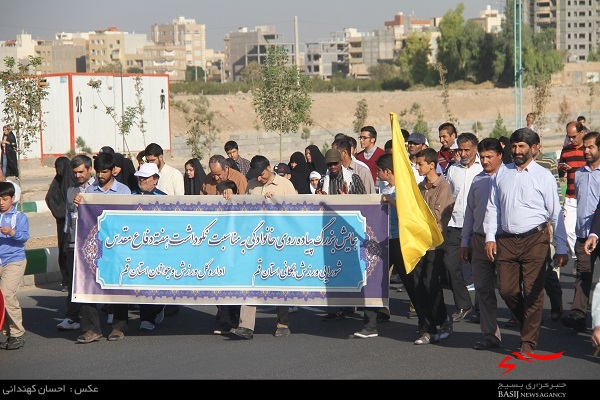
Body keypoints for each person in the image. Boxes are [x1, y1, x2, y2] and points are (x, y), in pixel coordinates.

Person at [484, 128, 569, 355]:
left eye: (521, 146)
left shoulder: (544, 176)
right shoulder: (502, 174)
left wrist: (561, 247)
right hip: (507, 241)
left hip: (536, 239)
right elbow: (493, 208)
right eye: (514, 146)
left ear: (533, 148)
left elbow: (555, 213)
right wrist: (490, 237)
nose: (516, 150)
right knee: (507, 289)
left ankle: (527, 343)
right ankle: (529, 322)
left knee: (533, 291)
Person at [229, 155, 297, 340]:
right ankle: (246, 326)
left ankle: (283, 322)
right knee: (250, 281)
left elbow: (298, 211)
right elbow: (244, 208)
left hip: (278, 242)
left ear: (269, 168)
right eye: (257, 176)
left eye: (262, 174)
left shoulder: (285, 185)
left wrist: (277, 202)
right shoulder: (251, 184)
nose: (260, 179)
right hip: (255, 241)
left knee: (279, 280)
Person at [354, 153, 417, 338]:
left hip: (400, 242)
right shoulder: (385, 189)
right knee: (373, 279)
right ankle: (370, 325)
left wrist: (390, 200)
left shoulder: (403, 190)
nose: (377, 174)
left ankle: (426, 320)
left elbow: (408, 213)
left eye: (379, 171)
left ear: (387, 171)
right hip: (383, 241)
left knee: (410, 283)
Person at [74, 152, 132, 343]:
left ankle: (118, 327)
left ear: (113, 171)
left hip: (117, 249)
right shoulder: (89, 193)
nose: (100, 175)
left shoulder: (124, 192)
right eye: (98, 171)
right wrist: (78, 205)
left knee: (118, 286)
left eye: (104, 171)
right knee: (87, 285)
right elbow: (83, 220)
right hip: (94, 248)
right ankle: (92, 329)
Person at [460, 138, 505, 350]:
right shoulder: (477, 180)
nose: (485, 160)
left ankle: (526, 328)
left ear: (499, 156)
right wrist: (464, 242)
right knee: (484, 290)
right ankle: (490, 335)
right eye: (482, 157)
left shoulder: (509, 177)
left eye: (489, 156)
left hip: (504, 240)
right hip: (478, 240)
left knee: (508, 288)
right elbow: (469, 212)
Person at [317, 148, 366, 321]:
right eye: (329, 164)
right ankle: (338, 307)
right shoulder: (323, 181)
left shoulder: (353, 179)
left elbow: (364, 203)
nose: (332, 167)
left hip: (350, 231)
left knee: (352, 268)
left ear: (341, 162)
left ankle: (357, 304)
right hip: (330, 231)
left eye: (335, 163)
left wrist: (347, 198)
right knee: (333, 270)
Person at [412, 148, 454, 345]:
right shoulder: (419, 188)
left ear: (431, 164)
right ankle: (427, 328)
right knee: (418, 286)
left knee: (431, 283)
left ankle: (442, 319)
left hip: (435, 245)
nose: (417, 167)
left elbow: (436, 217)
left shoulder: (443, 187)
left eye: (420, 164)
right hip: (418, 244)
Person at [561, 131, 600, 332]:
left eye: (590, 147)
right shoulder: (580, 173)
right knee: (583, 273)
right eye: (584, 147)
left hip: (598, 232)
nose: (586, 151)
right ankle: (578, 314)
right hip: (584, 233)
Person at [444, 132, 482, 323]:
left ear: (475, 149)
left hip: (477, 227)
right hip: (455, 225)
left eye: (467, 149)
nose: (464, 153)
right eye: (460, 149)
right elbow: (449, 197)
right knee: (450, 266)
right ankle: (463, 304)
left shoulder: (483, 169)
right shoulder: (453, 170)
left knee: (480, 269)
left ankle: (482, 308)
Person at [56, 155, 95, 332]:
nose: (78, 175)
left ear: (89, 169)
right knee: (74, 282)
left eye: (81, 172)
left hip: (94, 244)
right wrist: (66, 242)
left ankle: (110, 312)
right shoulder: (71, 191)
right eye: (75, 172)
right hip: (73, 243)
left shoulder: (98, 190)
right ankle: (72, 317)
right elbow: (67, 219)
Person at [130, 162, 168, 331]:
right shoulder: (129, 196)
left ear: (155, 180)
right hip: (137, 248)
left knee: (156, 283)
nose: (142, 180)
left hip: (157, 250)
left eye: (146, 178)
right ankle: (146, 317)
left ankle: (157, 309)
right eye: (140, 177)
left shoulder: (164, 199)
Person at [533, 144, 565, 322]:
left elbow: (555, 191)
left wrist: (553, 221)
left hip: (544, 224)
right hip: (524, 228)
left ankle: (556, 301)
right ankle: (526, 312)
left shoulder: (547, 163)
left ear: (535, 146)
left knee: (545, 268)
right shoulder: (515, 166)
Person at [0, 181, 29, 350]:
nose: (1, 202)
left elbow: (24, 236)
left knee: (7, 295)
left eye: (5, 198)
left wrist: (11, 232)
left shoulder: (19, 217)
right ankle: (7, 330)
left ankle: (17, 333)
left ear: (13, 198)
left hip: (14, 260)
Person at [558, 121, 587, 268]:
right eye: (568, 137)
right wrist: (562, 168)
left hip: (587, 197)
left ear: (582, 133)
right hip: (570, 196)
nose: (571, 140)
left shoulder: (589, 150)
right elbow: (561, 173)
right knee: (568, 230)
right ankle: (578, 258)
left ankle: (588, 258)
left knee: (588, 230)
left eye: (574, 136)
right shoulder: (566, 150)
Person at [45, 156, 76, 289]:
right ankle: (66, 279)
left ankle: (74, 280)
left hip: (74, 223)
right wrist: (62, 213)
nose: (57, 170)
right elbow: (50, 198)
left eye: (59, 167)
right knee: (63, 251)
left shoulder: (74, 182)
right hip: (61, 222)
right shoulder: (57, 181)